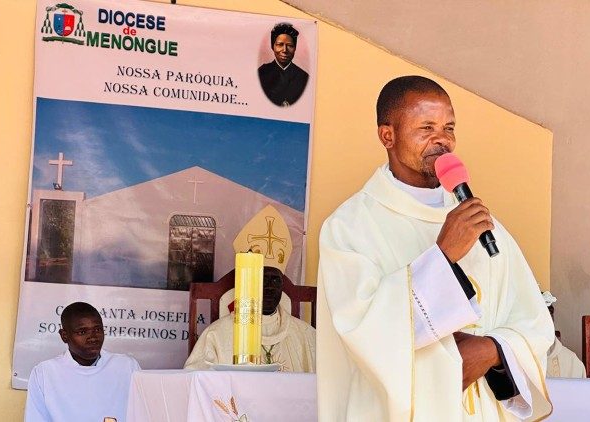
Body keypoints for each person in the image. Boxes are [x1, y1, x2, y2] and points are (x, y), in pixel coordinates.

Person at [316, 75, 555, 421]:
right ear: (388, 135)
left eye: (449, 128)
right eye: (426, 128)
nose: (442, 140)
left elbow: (532, 321)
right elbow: (361, 329)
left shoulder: (480, 221)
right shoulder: (350, 227)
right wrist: (444, 256)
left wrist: (492, 350)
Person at [24, 302, 141, 422]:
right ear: (64, 336)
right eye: (82, 332)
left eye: (97, 329)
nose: (93, 338)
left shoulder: (127, 367)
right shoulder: (44, 373)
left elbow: (142, 415)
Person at [184, 266, 316, 372]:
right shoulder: (216, 334)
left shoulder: (305, 334)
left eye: (276, 281)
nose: (270, 288)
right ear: (250, 286)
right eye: (263, 281)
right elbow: (197, 377)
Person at [257, 22, 309, 107]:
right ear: (272, 47)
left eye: (290, 45)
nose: (285, 50)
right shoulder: (262, 73)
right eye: (280, 45)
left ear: (295, 48)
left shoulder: (304, 77)